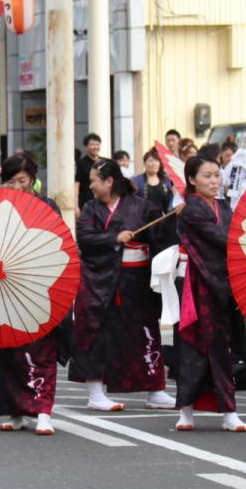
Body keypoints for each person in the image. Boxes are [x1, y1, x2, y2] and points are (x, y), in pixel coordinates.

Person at [69, 158, 177, 410]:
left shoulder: (141, 207)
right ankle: (95, 392)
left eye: (94, 180)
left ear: (109, 181)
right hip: (100, 280)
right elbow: (84, 237)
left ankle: (155, 389)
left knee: (144, 333)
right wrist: (113, 237)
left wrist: (172, 218)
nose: (91, 185)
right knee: (96, 332)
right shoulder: (90, 209)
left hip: (136, 283)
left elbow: (160, 234)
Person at [173, 156, 246, 432]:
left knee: (220, 347)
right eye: (207, 176)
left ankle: (229, 411)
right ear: (192, 180)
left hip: (221, 282)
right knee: (192, 345)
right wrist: (244, 243)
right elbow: (219, 239)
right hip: (196, 283)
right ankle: (186, 410)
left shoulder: (225, 207)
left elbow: (229, 237)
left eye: (217, 175)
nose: (214, 181)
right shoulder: (190, 210)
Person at [0, 154, 62, 436]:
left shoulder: (47, 206)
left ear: (33, 180)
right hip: (7, 284)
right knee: (10, 348)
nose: (18, 186)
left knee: (42, 348)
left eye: (22, 180)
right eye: (11, 180)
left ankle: (43, 410)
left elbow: (59, 243)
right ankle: (16, 410)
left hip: (39, 283)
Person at [131, 148, 175, 213]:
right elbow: (133, 203)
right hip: (145, 220)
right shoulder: (136, 181)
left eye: (157, 161)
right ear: (144, 163)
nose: (154, 164)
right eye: (151, 161)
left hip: (164, 219)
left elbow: (170, 202)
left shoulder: (166, 181)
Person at [74, 133, 103, 211]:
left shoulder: (105, 162)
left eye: (97, 144)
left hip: (103, 204)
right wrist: (76, 206)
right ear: (86, 147)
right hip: (85, 204)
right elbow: (76, 185)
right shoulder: (80, 163)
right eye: (92, 145)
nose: (95, 147)